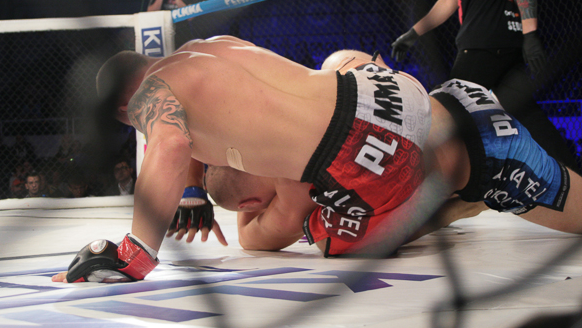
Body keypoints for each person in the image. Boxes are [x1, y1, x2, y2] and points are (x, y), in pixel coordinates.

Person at [52, 35, 433, 283]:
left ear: (124, 109)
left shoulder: (146, 97)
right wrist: (192, 187)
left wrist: (135, 252)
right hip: (393, 92)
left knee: (318, 235)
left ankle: (444, 200)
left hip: (366, 154)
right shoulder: (209, 47)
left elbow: (170, 143)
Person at [202, 49, 580, 255]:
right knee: (339, 64)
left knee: (331, 239)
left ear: (252, 203)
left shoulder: (292, 194)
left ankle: (463, 204)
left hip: (493, 157)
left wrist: (213, 187)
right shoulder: (283, 99)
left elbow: (251, 238)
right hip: (451, 95)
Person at [390, 0, 577, 171]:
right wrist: (413, 33)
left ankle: (440, 183)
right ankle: (573, 172)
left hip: (483, 44)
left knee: (445, 110)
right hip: (499, 47)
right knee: (528, 115)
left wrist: (530, 33)